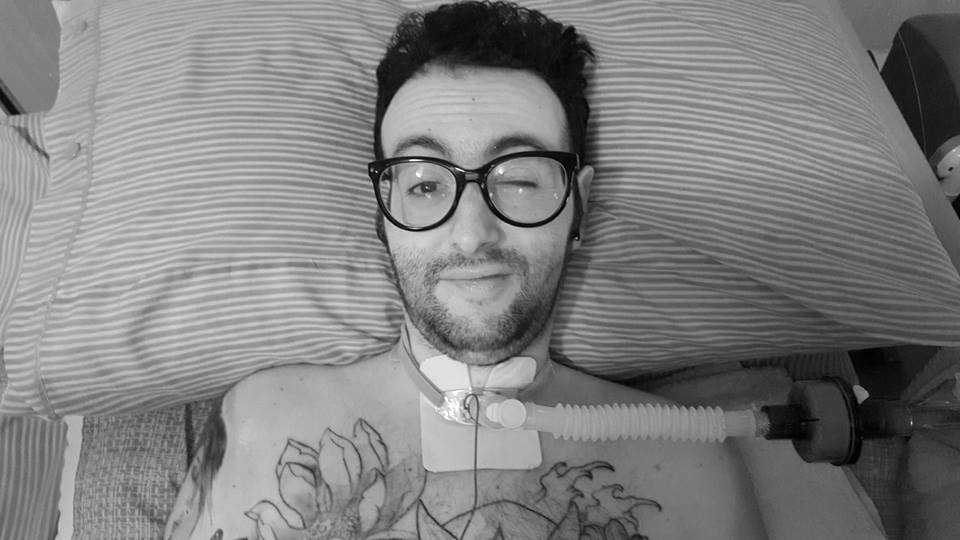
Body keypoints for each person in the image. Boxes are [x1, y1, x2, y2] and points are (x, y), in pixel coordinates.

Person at [164, 2, 766, 539]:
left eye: (520, 179)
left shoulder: (692, 463)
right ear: (384, 214)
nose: (473, 232)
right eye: (425, 185)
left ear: (577, 205)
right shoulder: (260, 423)